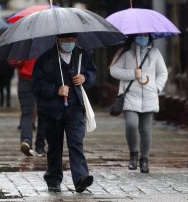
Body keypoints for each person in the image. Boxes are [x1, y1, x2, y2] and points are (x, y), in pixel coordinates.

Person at [31, 33, 96, 193]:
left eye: (73, 40)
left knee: (76, 143)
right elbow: (37, 86)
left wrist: (85, 77)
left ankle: (80, 178)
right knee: (54, 145)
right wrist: (55, 90)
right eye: (67, 40)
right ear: (58, 40)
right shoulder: (45, 59)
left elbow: (93, 72)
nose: (70, 43)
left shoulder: (82, 55)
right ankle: (53, 179)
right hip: (52, 111)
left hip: (75, 108)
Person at [109, 33, 168, 173]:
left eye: (146, 35)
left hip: (149, 96)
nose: (143, 37)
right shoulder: (126, 52)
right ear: (134, 36)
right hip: (130, 95)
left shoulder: (155, 52)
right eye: (140, 35)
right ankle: (133, 155)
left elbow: (163, 72)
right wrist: (133, 74)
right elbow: (113, 70)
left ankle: (144, 160)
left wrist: (157, 87)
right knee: (131, 124)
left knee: (146, 129)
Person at [9, 59, 46, 157]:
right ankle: (30, 143)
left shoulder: (49, 44)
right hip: (28, 80)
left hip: (42, 80)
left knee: (42, 113)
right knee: (31, 113)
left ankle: (35, 143)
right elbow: (12, 61)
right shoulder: (24, 45)